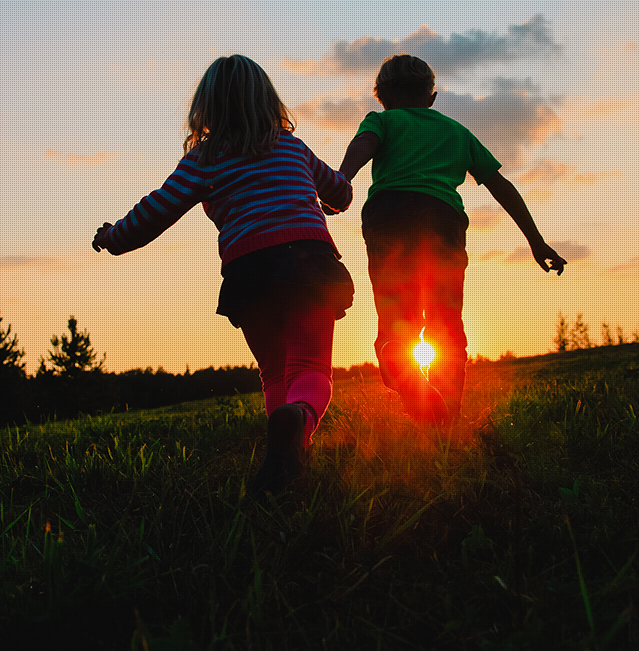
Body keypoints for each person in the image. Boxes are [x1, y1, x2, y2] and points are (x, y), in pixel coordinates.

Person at [93, 54, 354, 493]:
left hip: (250, 271)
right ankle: (300, 422)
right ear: (268, 99)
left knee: (274, 371)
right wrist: (321, 201)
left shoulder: (204, 158)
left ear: (207, 108)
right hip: (308, 263)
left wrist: (115, 236)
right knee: (310, 366)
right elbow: (341, 193)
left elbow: (157, 209)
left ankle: (285, 452)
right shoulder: (292, 147)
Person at [334, 54, 566, 425]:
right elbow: (500, 186)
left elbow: (364, 145)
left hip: (389, 216)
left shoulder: (382, 120)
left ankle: (409, 379)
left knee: (397, 320)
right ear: (432, 98)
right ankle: (448, 420)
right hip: (443, 220)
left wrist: (341, 180)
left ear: (381, 96)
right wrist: (536, 241)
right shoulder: (457, 132)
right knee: (446, 325)